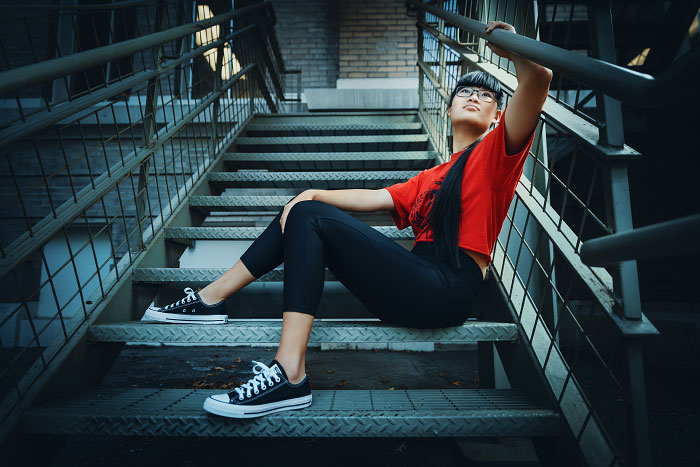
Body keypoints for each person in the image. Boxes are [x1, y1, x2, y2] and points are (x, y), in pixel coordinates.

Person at [141, 21, 552, 419]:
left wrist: (512, 49)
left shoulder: (497, 156)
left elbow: (539, 79)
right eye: (465, 91)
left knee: (308, 216)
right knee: (303, 214)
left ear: (499, 116)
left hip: (449, 288)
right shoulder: (429, 179)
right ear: (448, 108)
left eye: (486, 95)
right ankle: (214, 301)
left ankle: (286, 371)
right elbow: (374, 198)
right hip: (413, 283)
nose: (475, 97)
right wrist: (312, 193)